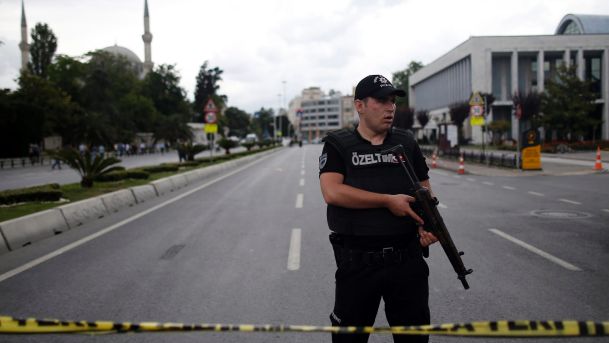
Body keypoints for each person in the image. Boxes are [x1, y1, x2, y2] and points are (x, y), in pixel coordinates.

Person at [319, 75, 438, 343]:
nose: (390, 107)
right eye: (382, 100)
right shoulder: (339, 145)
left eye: (393, 101)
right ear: (359, 105)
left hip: (407, 261)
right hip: (358, 264)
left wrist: (427, 225)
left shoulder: (406, 143)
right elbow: (332, 191)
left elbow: (425, 191)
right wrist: (387, 200)